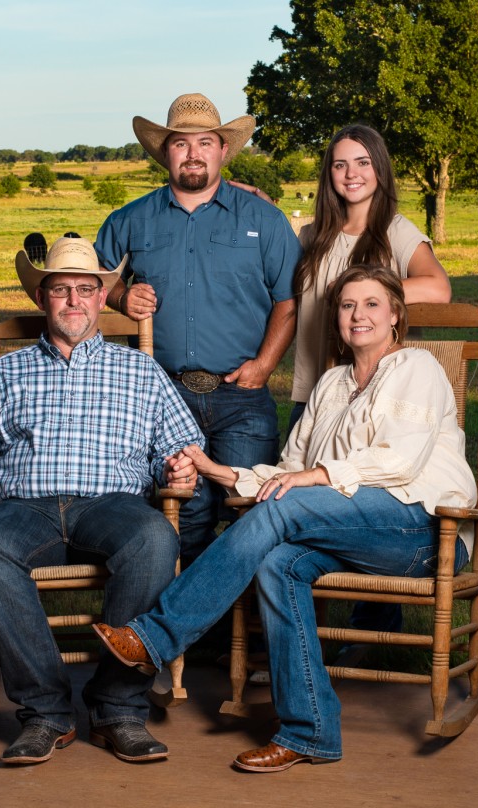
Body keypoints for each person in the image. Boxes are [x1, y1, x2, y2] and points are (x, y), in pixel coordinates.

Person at [91, 265, 477, 773]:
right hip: (348, 530)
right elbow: (288, 474)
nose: (358, 315)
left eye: (372, 304)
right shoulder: (332, 384)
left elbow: (399, 462)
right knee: (278, 563)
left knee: (283, 508)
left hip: (422, 531)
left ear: (395, 316)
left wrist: (313, 477)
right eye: (347, 305)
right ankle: (310, 729)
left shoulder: (417, 368)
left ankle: (156, 637)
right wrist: (216, 470)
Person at [0, 236, 203, 766]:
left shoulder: (142, 371)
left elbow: (180, 444)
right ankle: (46, 712)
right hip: (24, 509)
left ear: (103, 298)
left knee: (155, 536)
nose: (74, 300)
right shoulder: (7, 372)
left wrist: (178, 466)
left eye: (85, 289)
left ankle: (118, 709)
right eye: (61, 290)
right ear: (42, 299)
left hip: (111, 507)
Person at [94, 93, 302, 565]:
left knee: (252, 511)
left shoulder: (264, 220)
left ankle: (242, 611)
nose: (193, 154)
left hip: (241, 396)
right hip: (164, 396)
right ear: (164, 153)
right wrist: (121, 296)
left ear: (224, 150)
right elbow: (91, 283)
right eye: (181, 144)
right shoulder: (129, 220)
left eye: (205, 142)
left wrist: (264, 365)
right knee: (184, 513)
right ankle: (187, 610)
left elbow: (289, 300)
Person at [291, 124, 453, 640]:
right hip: (317, 393)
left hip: (375, 391)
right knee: (302, 512)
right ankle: (303, 637)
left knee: (364, 501)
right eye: (340, 164)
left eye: (363, 162)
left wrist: (365, 292)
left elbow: (438, 288)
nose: (352, 174)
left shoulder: (395, 232)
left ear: (380, 170)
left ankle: (372, 634)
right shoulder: (312, 236)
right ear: (328, 174)